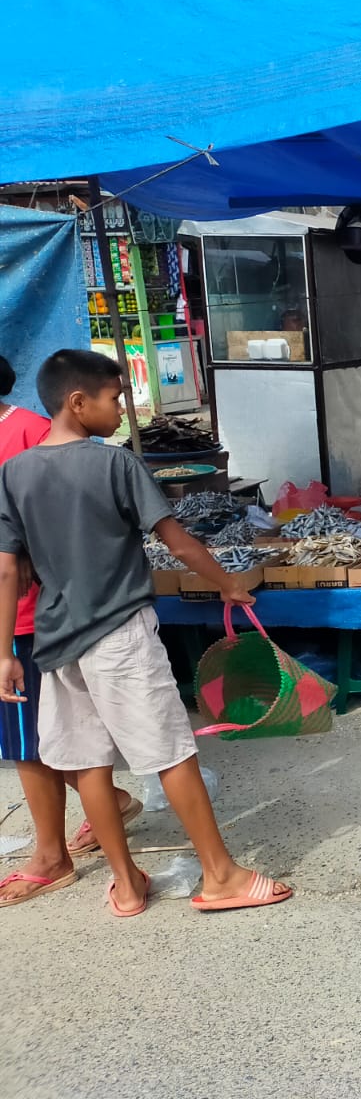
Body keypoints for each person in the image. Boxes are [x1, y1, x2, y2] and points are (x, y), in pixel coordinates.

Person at [0, 349, 290, 916]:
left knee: (87, 759)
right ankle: (221, 875)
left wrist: (5, 651)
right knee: (170, 752)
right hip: (119, 634)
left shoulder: (15, 472)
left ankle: (127, 885)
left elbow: (8, 566)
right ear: (77, 402)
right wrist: (228, 584)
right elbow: (177, 541)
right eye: (114, 399)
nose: (122, 412)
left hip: (57, 643)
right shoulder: (116, 465)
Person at [0, 356, 141, 907]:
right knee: (24, 739)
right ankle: (100, 814)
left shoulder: (30, 434)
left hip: (35, 617)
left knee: (34, 740)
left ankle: (51, 855)